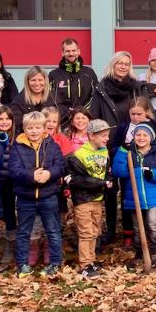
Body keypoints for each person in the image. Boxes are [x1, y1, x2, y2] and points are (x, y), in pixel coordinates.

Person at [89, 51, 155, 246]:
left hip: (132, 148)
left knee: (128, 190)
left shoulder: (136, 88)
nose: (123, 66)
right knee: (109, 190)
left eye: (127, 63)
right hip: (107, 146)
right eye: (119, 63)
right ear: (113, 65)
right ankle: (110, 230)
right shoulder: (101, 88)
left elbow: (146, 114)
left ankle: (129, 232)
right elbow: (94, 115)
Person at [9, 111, 65, 278]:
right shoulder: (17, 147)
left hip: (48, 195)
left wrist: (49, 174)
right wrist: (31, 176)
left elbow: (60, 166)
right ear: (24, 129)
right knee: (24, 232)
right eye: (30, 128)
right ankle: (22, 264)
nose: (34, 131)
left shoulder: (52, 145)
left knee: (53, 230)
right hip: (25, 197)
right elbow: (14, 170)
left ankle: (55, 263)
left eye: (37, 127)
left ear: (44, 128)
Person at [112, 124, 156, 269]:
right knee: (138, 228)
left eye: (145, 135)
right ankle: (140, 253)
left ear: (151, 138)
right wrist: (121, 152)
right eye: (138, 135)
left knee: (152, 223)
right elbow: (119, 171)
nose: (141, 138)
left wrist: (154, 174)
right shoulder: (129, 153)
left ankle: (155, 252)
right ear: (133, 137)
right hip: (134, 197)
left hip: (154, 198)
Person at [64, 119, 113, 279]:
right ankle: (85, 265)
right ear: (91, 136)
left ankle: (91, 261)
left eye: (107, 136)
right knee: (86, 233)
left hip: (98, 198)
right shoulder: (78, 155)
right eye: (103, 136)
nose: (106, 139)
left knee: (95, 231)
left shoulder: (104, 151)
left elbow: (106, 171)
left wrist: (108, 179)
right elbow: (76, 179)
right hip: (83, 200)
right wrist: (100, 183)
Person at [49, 38, 98, 128]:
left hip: (83, 122)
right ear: (63, 53)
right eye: (67, 51)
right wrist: (66, 111)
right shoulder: (54, 75)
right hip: (62, 123)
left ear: (78, 51)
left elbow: (95, 96)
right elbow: (51, 98)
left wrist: (81, 112)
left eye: (73, 50)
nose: (71, 53)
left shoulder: (89, 73)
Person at [0, 106, 17, 266]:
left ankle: (10, 246)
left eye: (7, 119)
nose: (4, 122)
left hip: (10, 182)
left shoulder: (17, 138)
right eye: (0, 119)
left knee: (9, 214)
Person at [10, 66, 56, 134]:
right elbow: (17, 122)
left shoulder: (53, 97)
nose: (37, 84)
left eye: (40, 80)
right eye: (33, 80)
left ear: (45, 81)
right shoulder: (18, 101)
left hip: (50, 137)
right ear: (27, 82)